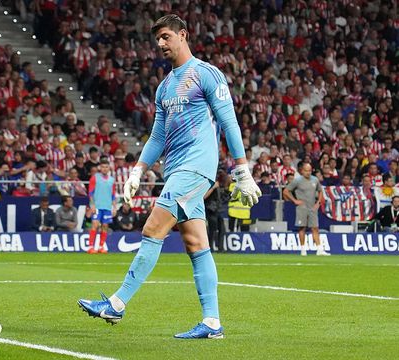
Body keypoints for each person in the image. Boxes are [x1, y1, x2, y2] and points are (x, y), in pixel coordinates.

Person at [78, 15, 261, 339]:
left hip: (196, 167)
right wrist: (138, 170)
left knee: (153, 227)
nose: (161, 44)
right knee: (195, 242)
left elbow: (229, 123)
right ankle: (212, 323)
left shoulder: (206, 74)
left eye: (165, 37)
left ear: (182, 34)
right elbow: (158, 137)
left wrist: (241, 170)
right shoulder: (165, 87)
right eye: (157, 39)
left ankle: (117, 304)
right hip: (176, 169)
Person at [283, 163, 330, 256]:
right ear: (302, 171)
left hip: (312, 208)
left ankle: (319, 249)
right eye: (306, 170)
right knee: (302, 228)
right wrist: (295, 201)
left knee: (315, 228)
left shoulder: (315, 180)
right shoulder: (297, 181)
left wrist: (318, 203)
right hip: (302, 208)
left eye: (309, 170)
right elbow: (286, 191)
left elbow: (320, 191)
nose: (308, 172)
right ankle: (303, 250)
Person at [87, 158, 116, 254]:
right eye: (103, 167)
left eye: (106, 167)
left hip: (107, 206)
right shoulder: (95, 177)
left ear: (109, 168)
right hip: (97, 206)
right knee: (95, 224)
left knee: (105, 226)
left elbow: (113, 195)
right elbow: (90, 192)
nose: (104, 169)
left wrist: (114, 207)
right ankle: (90, 246)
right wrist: (92, 205)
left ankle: (101, 246)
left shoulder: (112, 180)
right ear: (100, 167)